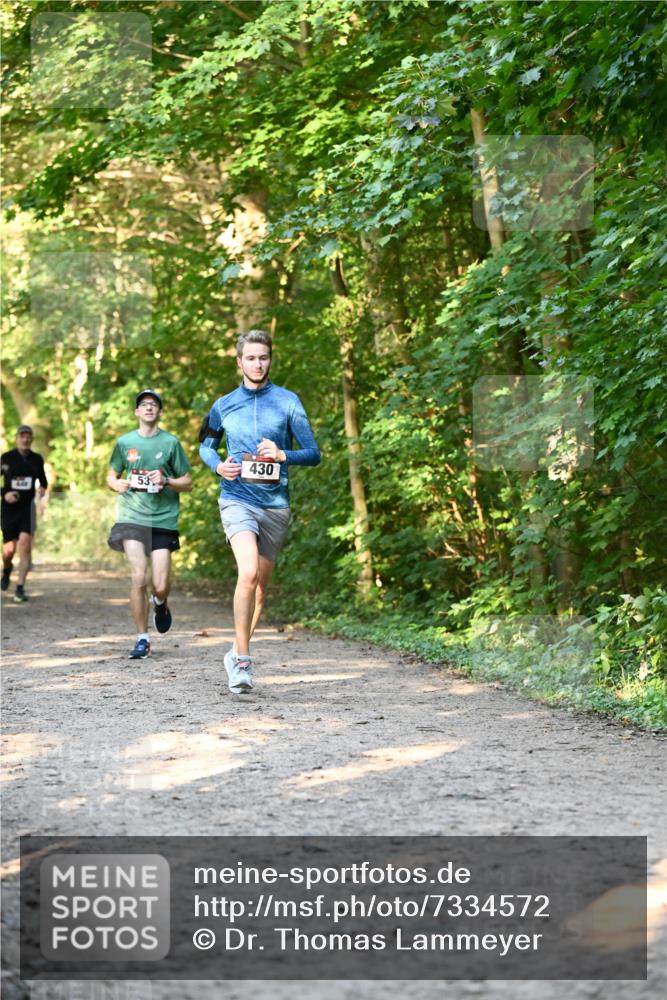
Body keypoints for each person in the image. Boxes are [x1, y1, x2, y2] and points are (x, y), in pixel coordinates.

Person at [199, 329, 321, 694]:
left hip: (275, 505)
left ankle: (235, 649)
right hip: (236, 498)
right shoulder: (223, 405)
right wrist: (218, 466)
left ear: (270, 360)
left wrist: (283, 454)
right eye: (250, 358)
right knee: (248, 573)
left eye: (263, 357)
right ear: (239, 362)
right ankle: (243, 663)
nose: (257, 363)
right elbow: (206, 446)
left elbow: (313, 453)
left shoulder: (288, 402)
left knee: (261, 589)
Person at [107, 390, 192, 659]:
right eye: (144, 405)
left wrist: (166, 481)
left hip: (163, 519)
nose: (148, 408)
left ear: (159, 412)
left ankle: (160, 602)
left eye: (154, 405)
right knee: (138, 577)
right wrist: (115, 483)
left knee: (160, 584)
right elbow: (112, 475)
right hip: (132, 517)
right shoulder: (124, 442)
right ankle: (142, 638)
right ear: (136, 412)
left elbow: (187, 482)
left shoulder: (170, 443)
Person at [1, 425, 48, 603]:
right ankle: (6, 570)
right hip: (8, 509)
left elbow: (43, 481)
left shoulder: (37, 459)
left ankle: (20, 588)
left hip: (27, 509)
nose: (25, 440)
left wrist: (43, 490)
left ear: (31, 439)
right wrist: (4, 494)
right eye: (22, 436)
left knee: (25, 545)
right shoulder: (6, 458)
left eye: (28, 437)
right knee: (9, 550)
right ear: (17, 438)